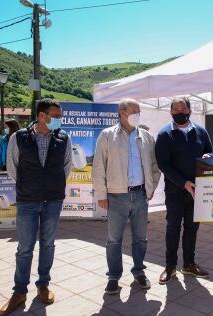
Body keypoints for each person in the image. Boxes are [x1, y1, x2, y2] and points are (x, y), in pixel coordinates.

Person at [0, 99, 72, 316]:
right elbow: (12, 168)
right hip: (27, 200)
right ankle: (19, 292)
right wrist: (29, 186)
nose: (60, 119)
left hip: (53, 200)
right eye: (56, 115)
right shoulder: (19, 137)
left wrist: (51, 185)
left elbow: (66, 167)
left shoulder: (63, 137)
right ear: (42, 115)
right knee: (24, 249)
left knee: (48, 244)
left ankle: (43, 284)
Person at [93, 99, 160, 294]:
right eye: (134, 111)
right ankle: (113, 277)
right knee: (114, 240)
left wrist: (151, 186)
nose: (137, 114)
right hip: (116, 196)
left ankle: (139, 272)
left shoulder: (146, 137)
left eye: (139, 111)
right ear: (122, 113)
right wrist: (101, 194)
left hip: (140, 195)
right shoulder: (107, 136)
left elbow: (155, 166)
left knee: (141, 238)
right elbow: (99, 167)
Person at [155, 97, 213, 284]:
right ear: (170, 112)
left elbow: (212, 152)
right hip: (175, 191)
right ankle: (170, 266)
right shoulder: (165, 134)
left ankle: (189, 264)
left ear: (190, 110)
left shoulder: (201, 131)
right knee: (173, 228)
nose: (180, 111)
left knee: (192, 228)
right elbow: (163, 164)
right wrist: (184, 183)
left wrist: (209, 156)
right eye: (176, 108)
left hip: (198, 191)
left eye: (183, 108)